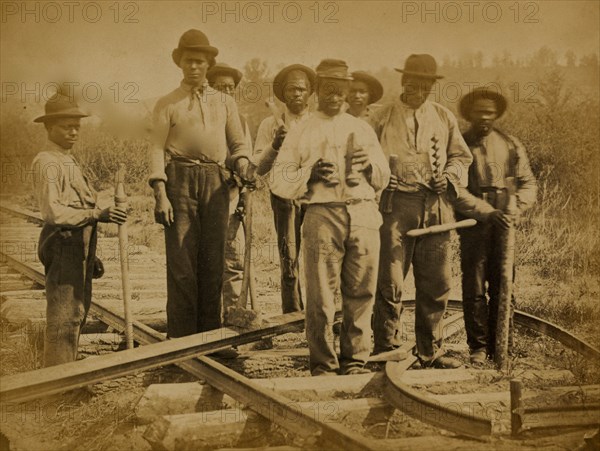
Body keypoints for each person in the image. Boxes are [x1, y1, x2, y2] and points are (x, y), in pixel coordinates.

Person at [271, 59, 390, 376]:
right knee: (321, 297)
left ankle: (355, 360)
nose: (334, 96)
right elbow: (278, 180)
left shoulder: (361, 128)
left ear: (348, 91)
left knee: (362, 291)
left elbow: (383, 177)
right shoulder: (302, 130)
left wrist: (368, 168)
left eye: (340, 90)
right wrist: (308, 176)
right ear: (317, 91)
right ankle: (323, 364)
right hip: (322, 213)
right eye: (328, 89)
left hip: (363, 212)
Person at [148, 29, 253, 346]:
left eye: (200, 62)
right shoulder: (167, 104)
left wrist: (244, 165)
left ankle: (210, 339)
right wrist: (160, 193)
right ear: (180, 63)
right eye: (189, 61)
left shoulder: (224, 103)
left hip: (216, 184)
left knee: (212, 263)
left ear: (209, 64)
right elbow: (155, 149)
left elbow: (237, 145)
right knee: (182, 263)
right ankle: (180, 339)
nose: (194, 67)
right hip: (179, 181)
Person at [369, 54, 472, 369]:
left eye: (425, 84)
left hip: (436, 206)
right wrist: (383, 175)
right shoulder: (381, 116)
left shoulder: (443, 117)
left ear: (432, 86)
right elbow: (364, 159)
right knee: (389, 280)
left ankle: (430, 350)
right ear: (403, 81)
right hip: (395, 206)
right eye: (412, 82)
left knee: (436, 280)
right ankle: (386, 346)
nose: (418, 89)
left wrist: (449, 177)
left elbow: (460, 156)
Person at [32, 92, 127, 367]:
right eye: (66, 126)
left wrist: (90, 251)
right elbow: (53, 211)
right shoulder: (48, 161)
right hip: (62, 243)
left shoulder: (67, 160)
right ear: (49, 128)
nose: (73, 132)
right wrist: (97, 214)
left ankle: (65, 377)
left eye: (77, 126)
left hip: (77, 243)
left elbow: (80, 203)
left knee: (76, 313)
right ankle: (55, 387)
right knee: (64, 317)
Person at [458, 87, 537, 365]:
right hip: (474, 225)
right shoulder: (460, 144)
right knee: (475, 286)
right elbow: (455, 189)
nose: (484, 118)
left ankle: (502, 344)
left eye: (489, 113)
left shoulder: (511, 144)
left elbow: (528, 183)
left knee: (504, 284)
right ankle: (478, 348)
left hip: (505, 227)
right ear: (469, 114)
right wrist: (486, 212)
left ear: (496, 116)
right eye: (479, 112)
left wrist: (516, 207)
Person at [253, 64, 316, 314]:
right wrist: (275, 144)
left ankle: (318, 313)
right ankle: (291, 314)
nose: (297, 94)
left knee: (319, 257)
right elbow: (258, 166)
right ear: (283, 94)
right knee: (289, 256)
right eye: (291, 89)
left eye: (302, 89)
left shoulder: (321, 123)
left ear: (310, 92)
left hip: (315, 197)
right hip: (283, 198)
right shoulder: (270, 125)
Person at [206, 62, 253, 314]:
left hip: (232, 197)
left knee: (233, 261)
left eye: (229, 87)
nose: (224, 92)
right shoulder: (199, 119)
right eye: (219, 87)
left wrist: (244, 195)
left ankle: (233, 318)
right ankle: (208, 322)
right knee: (208, 262)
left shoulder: (241, 121)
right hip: (203, 198)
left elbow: (247, 161)